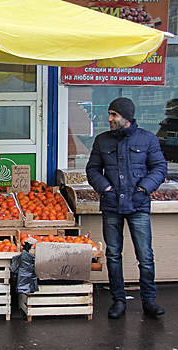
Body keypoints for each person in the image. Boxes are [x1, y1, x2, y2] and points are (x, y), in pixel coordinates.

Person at [86, 97, 167, 319]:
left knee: (145, 255)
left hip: (139, 204)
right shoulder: (102, 141)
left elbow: (159, 167)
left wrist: (143, 188)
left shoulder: (147, 139)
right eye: (110, 114)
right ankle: (118, 300)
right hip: (112, 204)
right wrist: (106, 188)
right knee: (113, 254)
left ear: (126, 118)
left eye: (114, 115)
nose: (109, 119)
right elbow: (92, 169)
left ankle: (149, 300)